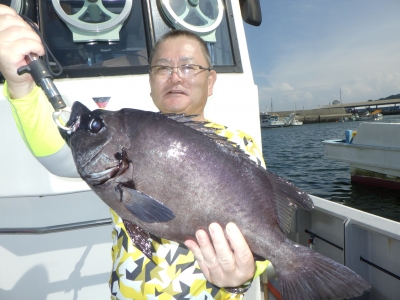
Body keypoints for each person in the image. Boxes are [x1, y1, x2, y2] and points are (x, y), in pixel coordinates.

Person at [0, 5, 269, 299]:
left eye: (189, 66)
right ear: (151, 81)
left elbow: (263, 229)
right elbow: (59, 155)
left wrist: (242, 277)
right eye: (163, 68)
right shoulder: (123, 138)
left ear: (211, 81)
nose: (175, 77)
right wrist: (21, 86)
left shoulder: (240, 144)